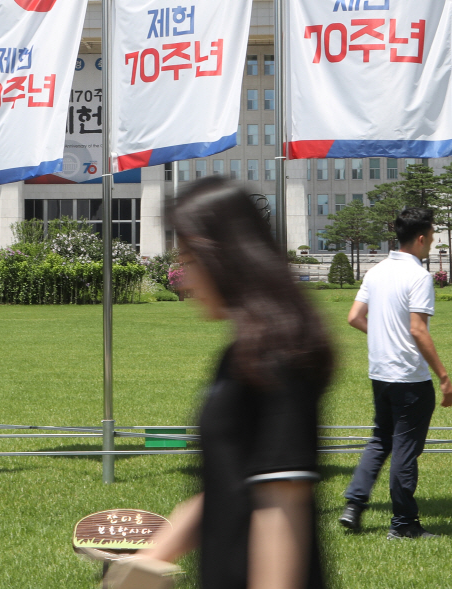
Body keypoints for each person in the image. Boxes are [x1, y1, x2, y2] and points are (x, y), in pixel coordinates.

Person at [133, 179, 333, 589]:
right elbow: (225, 487)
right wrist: (144, 563)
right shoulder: (241, 354)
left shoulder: (281, 356)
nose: (183, 279)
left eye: (188, 260)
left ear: (222, 256)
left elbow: (282, 505)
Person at [340, 206, 452, 539]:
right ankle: (403, 525)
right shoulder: (418, 276)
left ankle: (354, 505)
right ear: (420, 239)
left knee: (380, 440)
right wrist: (444, 376)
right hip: (410, 379)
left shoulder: (376, 272)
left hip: (381, 373)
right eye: (431, 237)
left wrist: (384, 337)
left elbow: (354, 317)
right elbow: (418, 330)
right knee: (405, 450)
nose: (431, 243)